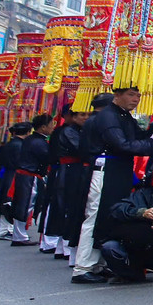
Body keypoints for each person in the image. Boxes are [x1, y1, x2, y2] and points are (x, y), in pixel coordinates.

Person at [84, 87, 153, 273]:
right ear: (117, 95)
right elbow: (122, 144)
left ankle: (99, 263)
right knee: (96, 215)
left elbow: (139, 137)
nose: (136, 98)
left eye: (138, 95)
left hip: (118, 170)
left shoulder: (123, 116)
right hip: (107, 168)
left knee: (111, 214)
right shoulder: (108, 116)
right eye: (131, 94)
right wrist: (152, 142)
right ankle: (84, 266)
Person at [97, 162, 153, 284]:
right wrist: (141, 213)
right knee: (109, 247)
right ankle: (130, 274)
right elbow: (117, 209)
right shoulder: (143, 194)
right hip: (135, 244)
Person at [45, 108, 90, 261]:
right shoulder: (69, 131)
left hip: (73, 170)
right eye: (82, 114)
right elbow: (82, 150)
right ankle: (65, 247)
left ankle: (61, 247)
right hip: (70, 171)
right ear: (72, 116)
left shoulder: (77, 130)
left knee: (67, 206)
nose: (86, 117)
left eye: (87, 115)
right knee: (68, 206)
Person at [6, 114, 53, 248]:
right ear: (43, 127)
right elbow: (47, 158)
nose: (52, 128)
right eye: (51, 125)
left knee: (23, 204)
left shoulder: (31, 139)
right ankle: (19, 236)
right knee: (25, 205)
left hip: (24, 175)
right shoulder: (39, 142)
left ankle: (19, 234)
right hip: (29, 175)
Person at [0, 123, 29, 240]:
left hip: (7, 174)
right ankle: (7, 229)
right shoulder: (20, 145)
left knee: (5, 200)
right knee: (11, 201)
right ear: (28, 132)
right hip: (15, 175)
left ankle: (2, 229)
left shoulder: (7, 145)